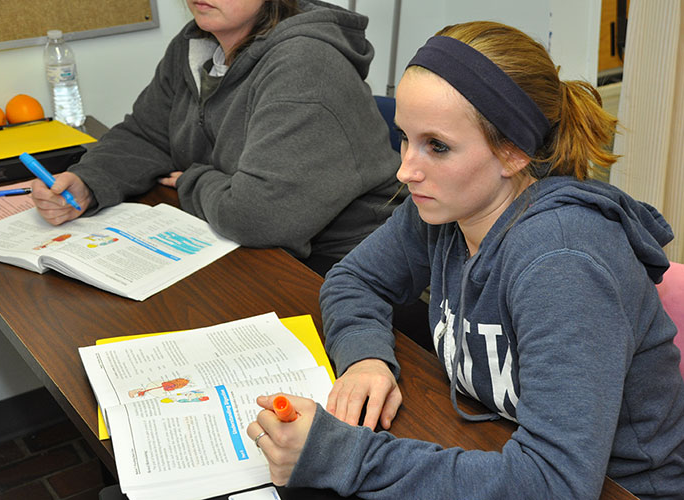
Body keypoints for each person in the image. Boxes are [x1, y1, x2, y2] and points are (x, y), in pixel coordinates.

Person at [246, 21, 684, 499]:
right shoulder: (443, 208)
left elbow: (553, 484)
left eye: (437, 146)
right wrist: (366, 357)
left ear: (514, 152)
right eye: (405, 138)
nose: (406, 170)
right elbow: (353, 279)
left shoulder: (563, 265)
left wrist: (341, 455)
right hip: (498, 441)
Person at [31, 0, 401, 276]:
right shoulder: (196, 42)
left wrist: (194, 179)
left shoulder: (306, 63)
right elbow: (147, 133)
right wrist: (89, 180)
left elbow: (259, 217)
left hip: (348, 270)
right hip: (246, 244)